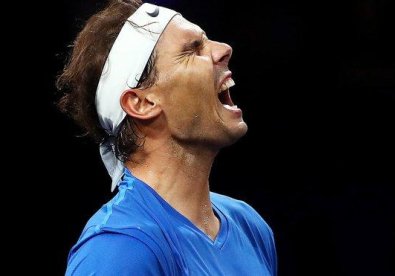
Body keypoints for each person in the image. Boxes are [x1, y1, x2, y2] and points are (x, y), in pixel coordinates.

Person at [57, 0, 277, 275]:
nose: (223, 50)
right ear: (142, 103)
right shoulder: (119, 251)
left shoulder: (249, 225)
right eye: (193, 49)